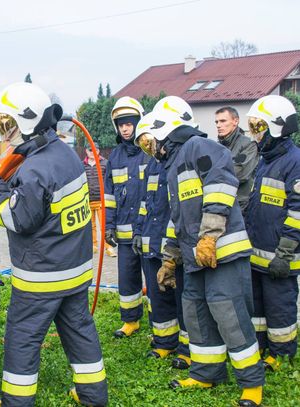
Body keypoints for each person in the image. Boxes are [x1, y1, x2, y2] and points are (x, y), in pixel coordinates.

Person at [0, 82, 108, 407]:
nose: (3, 132)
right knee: (81, 335)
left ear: (25, 123)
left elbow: (18, 218)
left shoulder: (35, 169)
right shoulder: (64, 154)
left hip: (41, 279)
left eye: (6, 124)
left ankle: (15, 403)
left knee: (22, 342)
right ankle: (94, 397)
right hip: (75, 273)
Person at [140, 100, 264, 407]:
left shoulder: (199, 147)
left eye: (152, 139)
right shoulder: (172, 168)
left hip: (222, 252)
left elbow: (221, 185)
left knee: (229, 313)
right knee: (195, 312)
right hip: (195, 256)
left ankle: (252, 383)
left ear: (166, 129)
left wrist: (209, 237)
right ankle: (207, 372)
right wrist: (171, 258)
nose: (151, 147)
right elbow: (177, 219)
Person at [244, 95, 300, 373]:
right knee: (258, 307)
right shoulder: (265, 159)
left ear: (278, 127)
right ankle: (261, 346)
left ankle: (282, 353)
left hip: (280, 257)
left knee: (279, 308)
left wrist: (285, 254)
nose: (255, 135)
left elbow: (298, 213)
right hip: (257, 254)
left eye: (258, 128)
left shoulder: (295, 161)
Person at [132, 107, 191, 370]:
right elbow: (146, 203)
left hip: (175, 246)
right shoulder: (153, 166)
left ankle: (187, 349)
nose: (151, 148)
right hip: (153, 243)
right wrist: (139, 231)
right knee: (158, 296)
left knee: (185, 301)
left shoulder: (181, 162)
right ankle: (164, 342)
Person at [104, 96, 148, 339]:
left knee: (154, 279)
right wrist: (109, 226)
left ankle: (160, 319)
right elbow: (109, 195)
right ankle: (130, 320)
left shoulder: (148, 152)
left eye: (129, 123)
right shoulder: (115, 157)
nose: (125, 128)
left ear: (138, 123)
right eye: (121, 124)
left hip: (148, 232)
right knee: (127, 277)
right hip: (123, 233)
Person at [215, 106, 258, 213]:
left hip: (241, 205)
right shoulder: (214, 146)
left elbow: (241, 173)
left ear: (235, 121)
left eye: (223, 121)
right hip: (218, 203)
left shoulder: (248, 144)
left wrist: (214, 173)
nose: (218, 125)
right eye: (216, 122)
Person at [83, 143, 116, 257]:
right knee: (91, 226)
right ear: (86, 151)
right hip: (88, 200)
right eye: (90, 150)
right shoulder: (83, 165)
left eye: (95, 149)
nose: (93, 152)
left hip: (102, 200)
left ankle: (109, 247)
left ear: (98, 151)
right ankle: (94, 246)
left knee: (104, 225)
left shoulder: (105, 163)